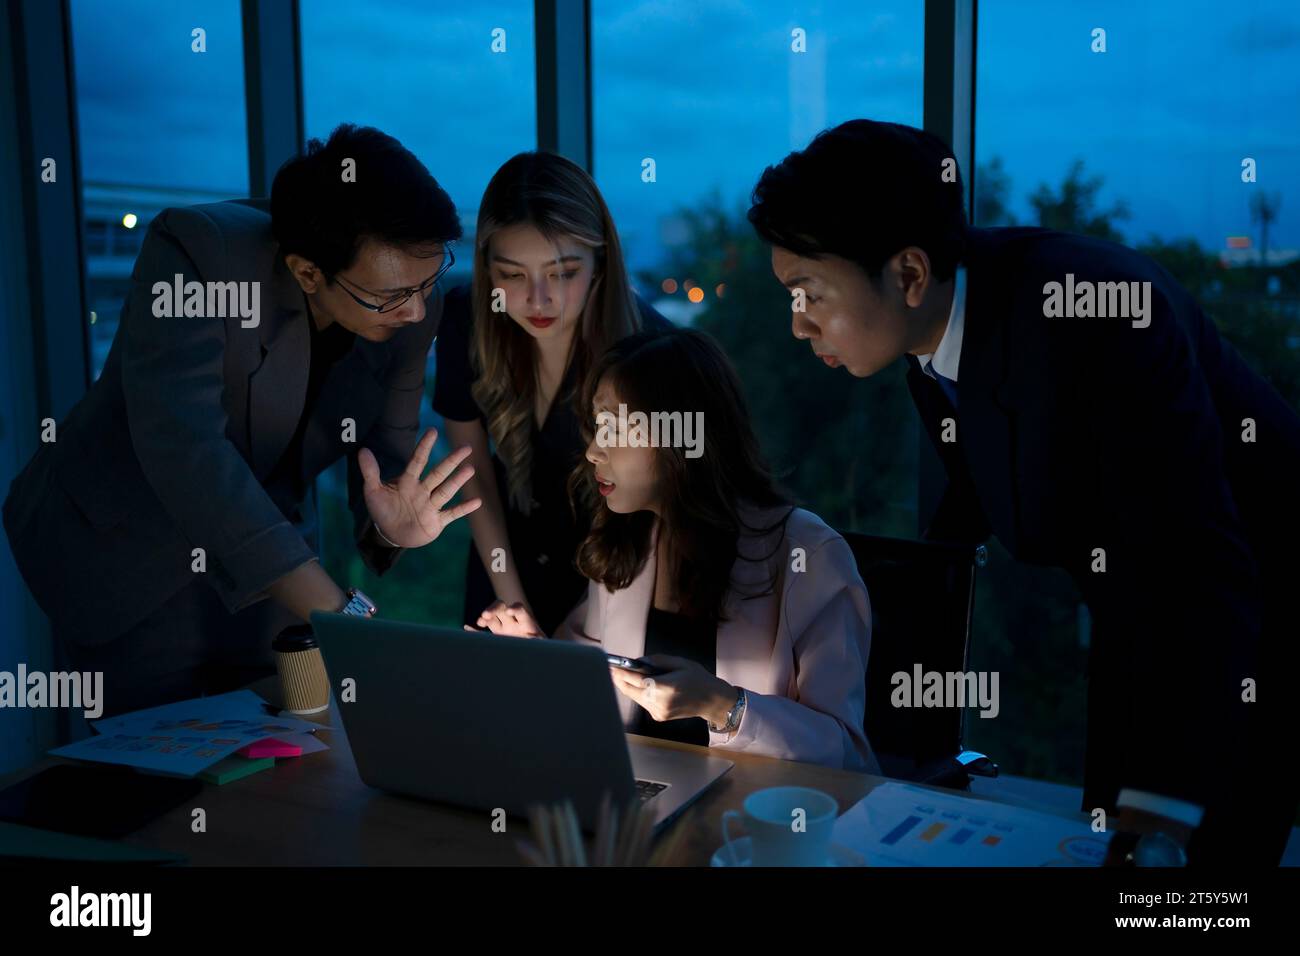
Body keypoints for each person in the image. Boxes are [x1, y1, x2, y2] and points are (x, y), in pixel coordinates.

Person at [747, 118, 1300, 863]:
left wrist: (1164, 814)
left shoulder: (1100, 317)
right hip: (1137, 611)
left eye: (809, 292)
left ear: (908, 274)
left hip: (1250, 618)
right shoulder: (931, 332)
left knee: (1191, 878)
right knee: (1111, 840)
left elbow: (1199, 577)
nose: (797, 323)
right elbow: (973, 490)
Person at [2, 124, 481, 719]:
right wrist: (339, 613)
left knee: (293, 751)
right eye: (392, 296)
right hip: (132, 543)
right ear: (309, 274)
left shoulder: (411, 294)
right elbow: (186, 450)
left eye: (429, 281)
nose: (415, 311)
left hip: (271, 545)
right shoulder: (199, 254)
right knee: (158, 771)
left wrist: (388, 528)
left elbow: (383, 455)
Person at [475, 327, 876, 771]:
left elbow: (847, 757)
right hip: (637, 803)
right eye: (595, 427)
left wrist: (724, 706)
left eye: (613, 428)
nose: (592, 452)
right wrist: (538, 655)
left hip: (753, 823)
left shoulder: (810, 556)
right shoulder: (625, 542)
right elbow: (592, 695)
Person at [433, 151, 668, 635]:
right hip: (503, 568)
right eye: (512, 275)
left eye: (562, 273)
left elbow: (656, 523)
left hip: (613, 581)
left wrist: (569, 635)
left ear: (600, 263)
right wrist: (513, 604)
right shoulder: (467, 318)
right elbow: (473, 475)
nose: (538, 300)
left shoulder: (651, 351)